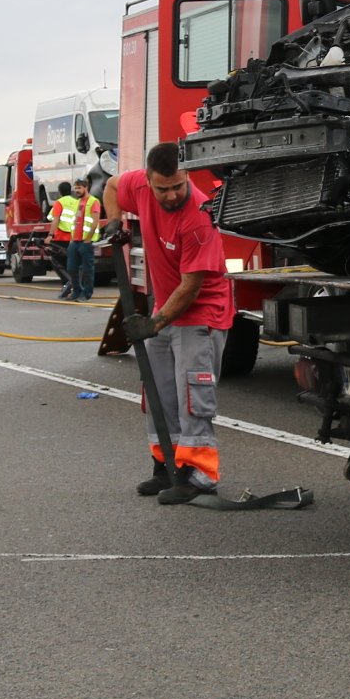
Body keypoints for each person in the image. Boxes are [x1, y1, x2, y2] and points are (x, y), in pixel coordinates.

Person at [110, 143, 235, 503]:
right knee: (157, 391)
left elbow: (191, 287)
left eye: (177, 186)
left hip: (200, 313)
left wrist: (154, 324)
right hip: (165, 309)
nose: (170, 195)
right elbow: (112, 186)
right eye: (162, 188)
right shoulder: (137, 186)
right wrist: (115, 220)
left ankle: (198, 474)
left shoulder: (198, 216)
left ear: (188, 176)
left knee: (191, 395)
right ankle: (165, 465)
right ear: (148, 180)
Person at [50, 179, 101, 300]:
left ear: (86, 188)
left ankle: (86, 293)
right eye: (75, 188)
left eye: (79, 188)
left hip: (85, 241)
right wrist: (72, 239)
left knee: (87, 269)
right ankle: (77, 291)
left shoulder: (93, 201)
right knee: (71, 268)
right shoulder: (77, 203)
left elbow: (94, 221)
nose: (76, 191)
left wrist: (88, 239)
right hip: (75, 241)